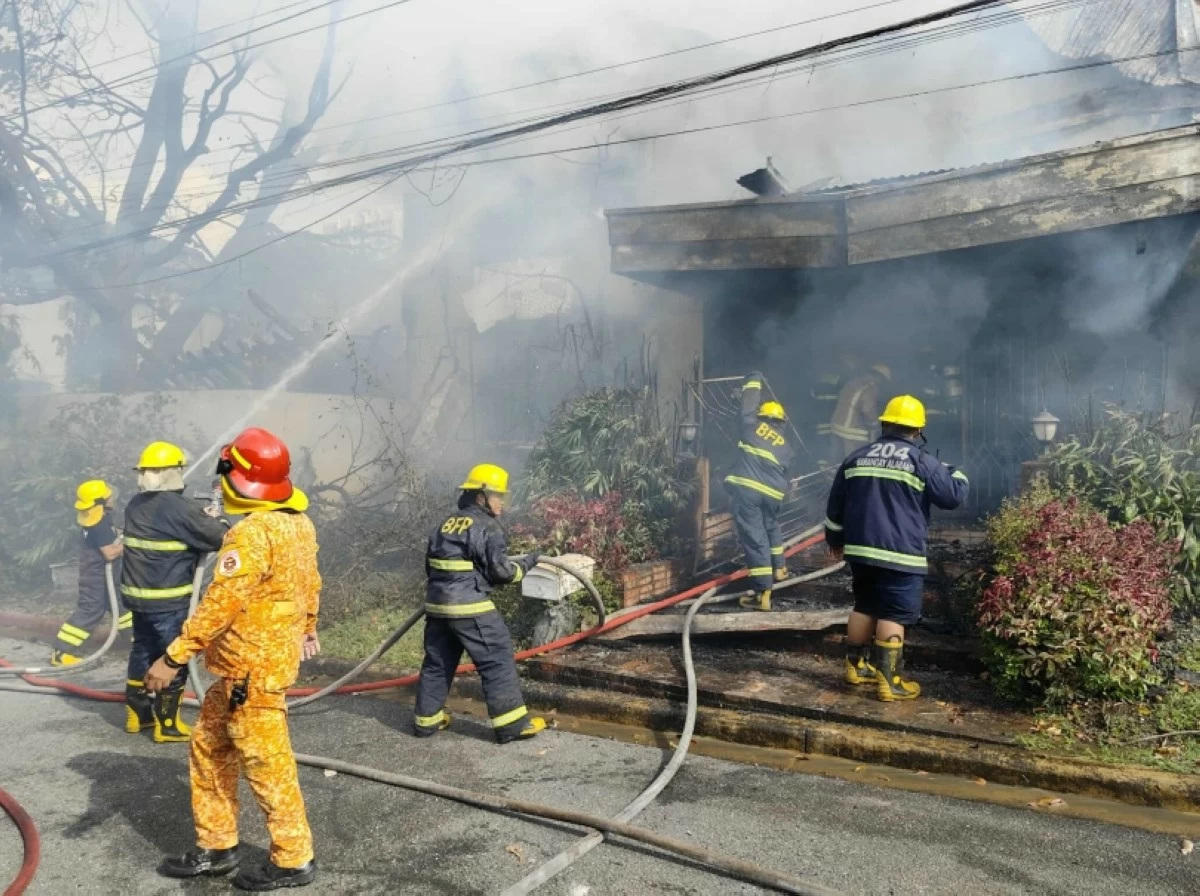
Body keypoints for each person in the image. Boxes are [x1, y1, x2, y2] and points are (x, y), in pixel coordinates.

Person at [150, 427, 321, 891]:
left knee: (267, 765)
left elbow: (219, 604)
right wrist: (307, 626)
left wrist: (174, 656)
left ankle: (292, 859)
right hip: (241, 672)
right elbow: (310, 583)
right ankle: (218, 846)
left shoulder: (251, 534)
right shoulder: (297, 522)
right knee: (209, 747)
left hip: (252, 674)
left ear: (235, 480)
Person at [824, 395, 968, 701]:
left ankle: (855, 668)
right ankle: (890, 682)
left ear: (885, 423)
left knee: (864, 605)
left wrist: (835, 540)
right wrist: (955, 473)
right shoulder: (922, 461)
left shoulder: (856, 456)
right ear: (917, 431)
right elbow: (952, 496)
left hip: (861, 551)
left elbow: (835, 506)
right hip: (900, 553)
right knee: (894, 614)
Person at [413, 463, 547, 743]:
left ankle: (426, 722)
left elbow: (431, 568)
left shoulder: (444, 523)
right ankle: (512, 726)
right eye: (499, 496)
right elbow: (502, 573)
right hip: (470, 607)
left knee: (437, 662)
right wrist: (527, 563)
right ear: (480, 496)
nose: (503, 504)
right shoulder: (488, 526)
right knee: (497, 658)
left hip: (437, 607)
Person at [122, 441, 228, 742]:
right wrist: (217, 518)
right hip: (168, 602)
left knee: (142, 649)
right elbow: (218, 537)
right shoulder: (179, 508)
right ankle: (167, 725)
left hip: (137, 598)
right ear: (173, 472)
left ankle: (137, 716)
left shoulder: (135, 504)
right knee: (174, 657)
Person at [723, 371, 794, 611]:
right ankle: (780, 568)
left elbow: (747, 408)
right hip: (774, 494)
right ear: (782, 423)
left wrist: (753, 380)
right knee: (771, 526)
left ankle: (762, 592)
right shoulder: (787, 446)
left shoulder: (752, 426)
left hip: (749, 491)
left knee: (755, 539)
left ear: (763, 417)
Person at [51, 480, 128, 665]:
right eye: (108, 496)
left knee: (124, 607)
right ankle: (61, 652)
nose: (112, 497)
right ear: (100, 501)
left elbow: (111, 533)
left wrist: (122, 532)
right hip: (96, 578)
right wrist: (131, 543)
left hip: (104, 576)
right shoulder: (98, 523)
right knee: (90, 611)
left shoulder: (99, 516)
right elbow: (109, 553)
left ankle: (139, 641)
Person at [829, 363, 892, 461]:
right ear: (880, 377)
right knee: (854, 462)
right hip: (853, 433)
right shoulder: (871, 387)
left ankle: (830, 476)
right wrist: (876, 424)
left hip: (836, 428)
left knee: (836, 462)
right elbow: (867, 409)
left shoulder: (852, 383)